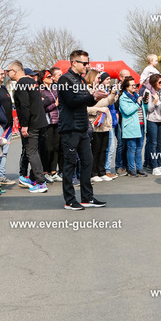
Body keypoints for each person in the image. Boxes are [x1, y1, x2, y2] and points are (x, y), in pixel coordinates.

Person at [58, 50, 108, 210]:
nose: (87, 66)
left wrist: (96, 97)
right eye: (84, 63)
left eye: (88, 62)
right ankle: (69, 200)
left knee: (88, 161)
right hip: (70, 128)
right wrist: (91, 96)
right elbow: (71, 102)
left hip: (82, 128)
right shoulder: (64, 79)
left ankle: (87, 197)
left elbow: (87, 102)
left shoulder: (80, 80)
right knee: (70, 164)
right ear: (74, 63)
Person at [7, 60, 48, 193]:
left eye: (8, 71)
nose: (7, 74)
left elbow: (25, 106)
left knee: (31, 152)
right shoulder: (32, 82)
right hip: (41, 121)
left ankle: (41, 183)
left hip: (32, 123)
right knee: (36, 151)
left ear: (14, 71)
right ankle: (34, 178)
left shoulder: (20, 85)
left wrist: (24, 125)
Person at [85, 70, 117, 182]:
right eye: (98, 78)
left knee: (104, 149)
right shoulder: (88, 90)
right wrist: (99, 109)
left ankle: (101, 171)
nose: (100, 80)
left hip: (105, 123)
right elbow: (87, 107)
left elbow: (109, 102)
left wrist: (113, 94)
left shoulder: (101, 89)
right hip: (95, 123)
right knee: (95, 149)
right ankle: (93, 173)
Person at [119, 77, 148, 177]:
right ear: (127, 87)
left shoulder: (136, 96)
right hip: (131, 125)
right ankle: (132, 169)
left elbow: (143, 109)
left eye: (135, 85)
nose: (134, 87)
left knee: (139, 148)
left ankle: (139, 168)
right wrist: (138, 103)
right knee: (132, 148)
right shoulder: (123, 98)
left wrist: (145, 103)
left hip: (141, 124)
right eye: (132, 85)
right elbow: (127, 111)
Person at [0, 67, 15, 186]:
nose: (3, 76)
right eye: (1, 74)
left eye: (3, 73)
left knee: (4, 153)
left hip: (8, 125)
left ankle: (1, 176)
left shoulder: (4, 88)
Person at [41, 69, 63, 182]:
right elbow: (43, 108)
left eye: (51, 76)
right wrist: (55, 104)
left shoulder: (55, 88)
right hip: (47, 122)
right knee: (48, 148)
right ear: (43, 79)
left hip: (57, 121)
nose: (50, 78)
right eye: (48, 77)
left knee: (56, 147)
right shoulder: (41, 90)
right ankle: (46, 171)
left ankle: (54, 171)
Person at [143, 73, 161, 175]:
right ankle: (154, 166)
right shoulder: (148, 92)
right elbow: (149, 109)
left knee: (160, 143)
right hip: (152, 120)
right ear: (154, 83)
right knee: (153, 143)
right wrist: (155, 101)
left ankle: (160, 164)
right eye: (159, 82)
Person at [115, 69, 131, 175]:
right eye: (125, 77)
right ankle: (119, 165)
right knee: (120, 143)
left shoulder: (130, 88)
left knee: (127, 144)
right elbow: (115, 105)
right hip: (119, 119)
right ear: (120, 78)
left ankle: (127, 164)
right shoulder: (116, 89)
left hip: (128, 119)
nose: (127, 79)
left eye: (128, 77)